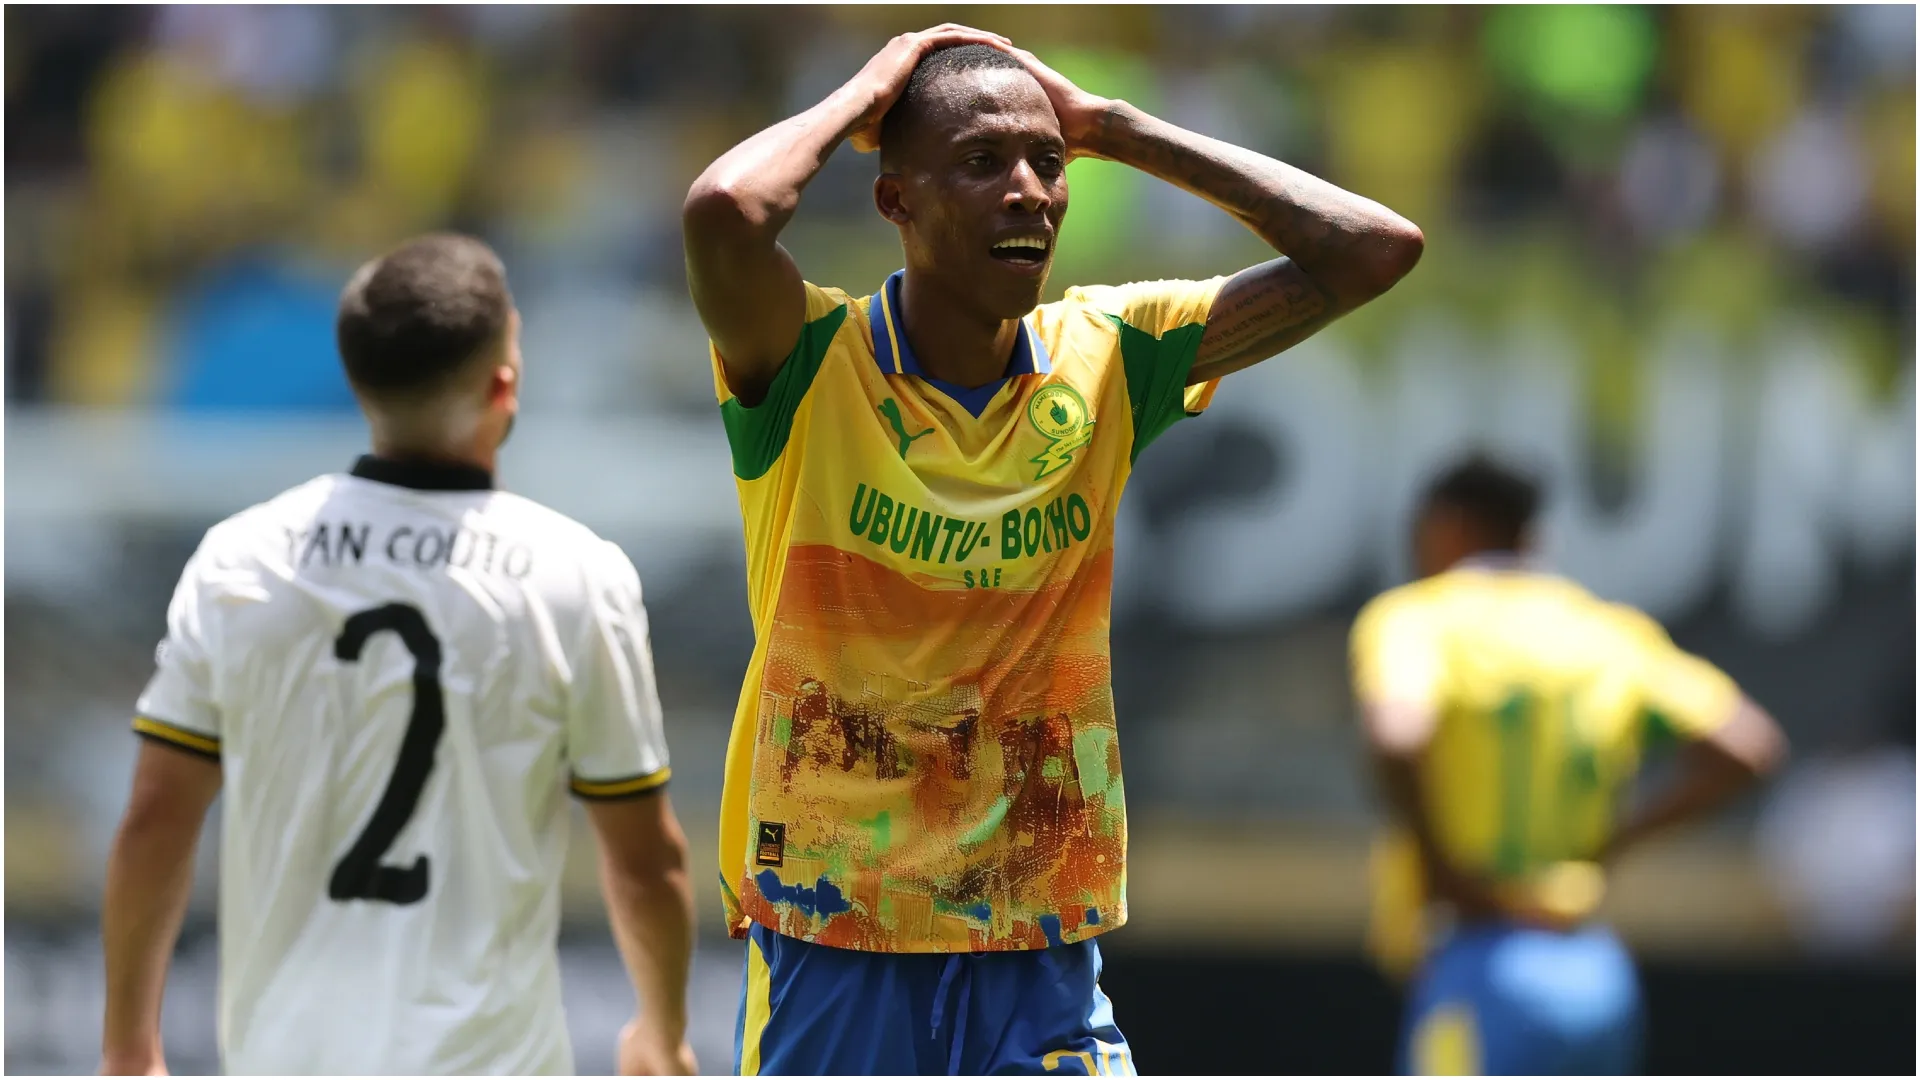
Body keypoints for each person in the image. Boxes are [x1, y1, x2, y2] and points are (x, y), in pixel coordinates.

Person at [682, 25, 1423, 1076]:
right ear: (897, 200)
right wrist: (876, 87)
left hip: (1035, 944)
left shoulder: (1112, 354)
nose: (1031, 190)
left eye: (1048, 163)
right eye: (984, 163)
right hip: (837, 927)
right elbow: (727, 211)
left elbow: (1372, 249)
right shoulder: (803, 362)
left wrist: (1116, 129)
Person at [99, 234, 698, 1076]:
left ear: (357, 381)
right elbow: (645, 862)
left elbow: (155, 819)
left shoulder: (243, 559)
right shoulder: (576, 577)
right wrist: (661, 1033)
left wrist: (129, 1050)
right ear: (505, 382)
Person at [1351, 454, 1789, 1075]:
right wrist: (1611, 842)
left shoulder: (1421, 619)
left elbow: (1396, 736)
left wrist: (1440, 866)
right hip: (1592, 975)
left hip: (1478, 958)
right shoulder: (1609, 634)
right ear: (1533, 537)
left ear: (1445, 528)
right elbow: (1751, 748)